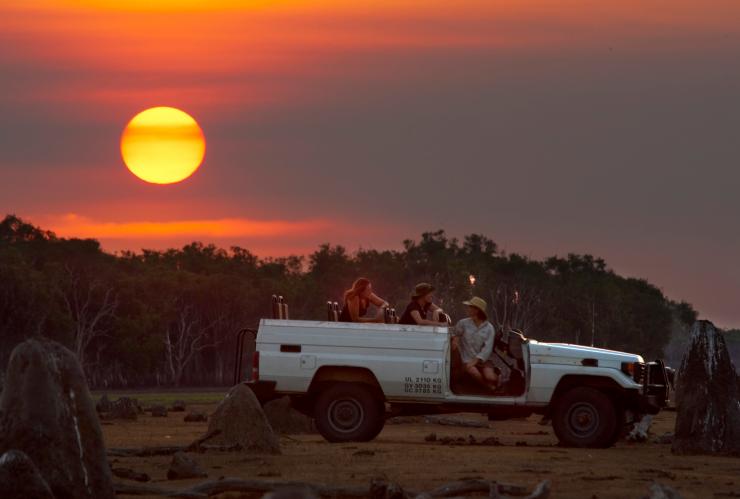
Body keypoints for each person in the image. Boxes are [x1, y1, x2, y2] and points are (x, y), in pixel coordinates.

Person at [452, 296, 498, 391]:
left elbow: (487, 348)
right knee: (472, 371)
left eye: (470, 307)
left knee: (491, 377)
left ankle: (497, 377)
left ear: (477, 310)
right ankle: (488, 388)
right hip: (466, 358)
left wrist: (476, 361)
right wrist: (455, 340)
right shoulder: (463, 323)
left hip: (483, 360)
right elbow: (455, 333)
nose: (468, 309)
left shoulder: (489, 328)